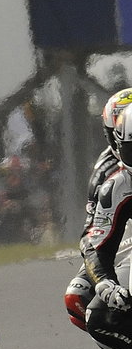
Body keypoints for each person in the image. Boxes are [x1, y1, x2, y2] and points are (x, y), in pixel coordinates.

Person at [64, 88, 132, 330]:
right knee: (78, 299)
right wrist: (105, 282)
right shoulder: (110, 178)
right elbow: (92, 239)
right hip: (125, 236)